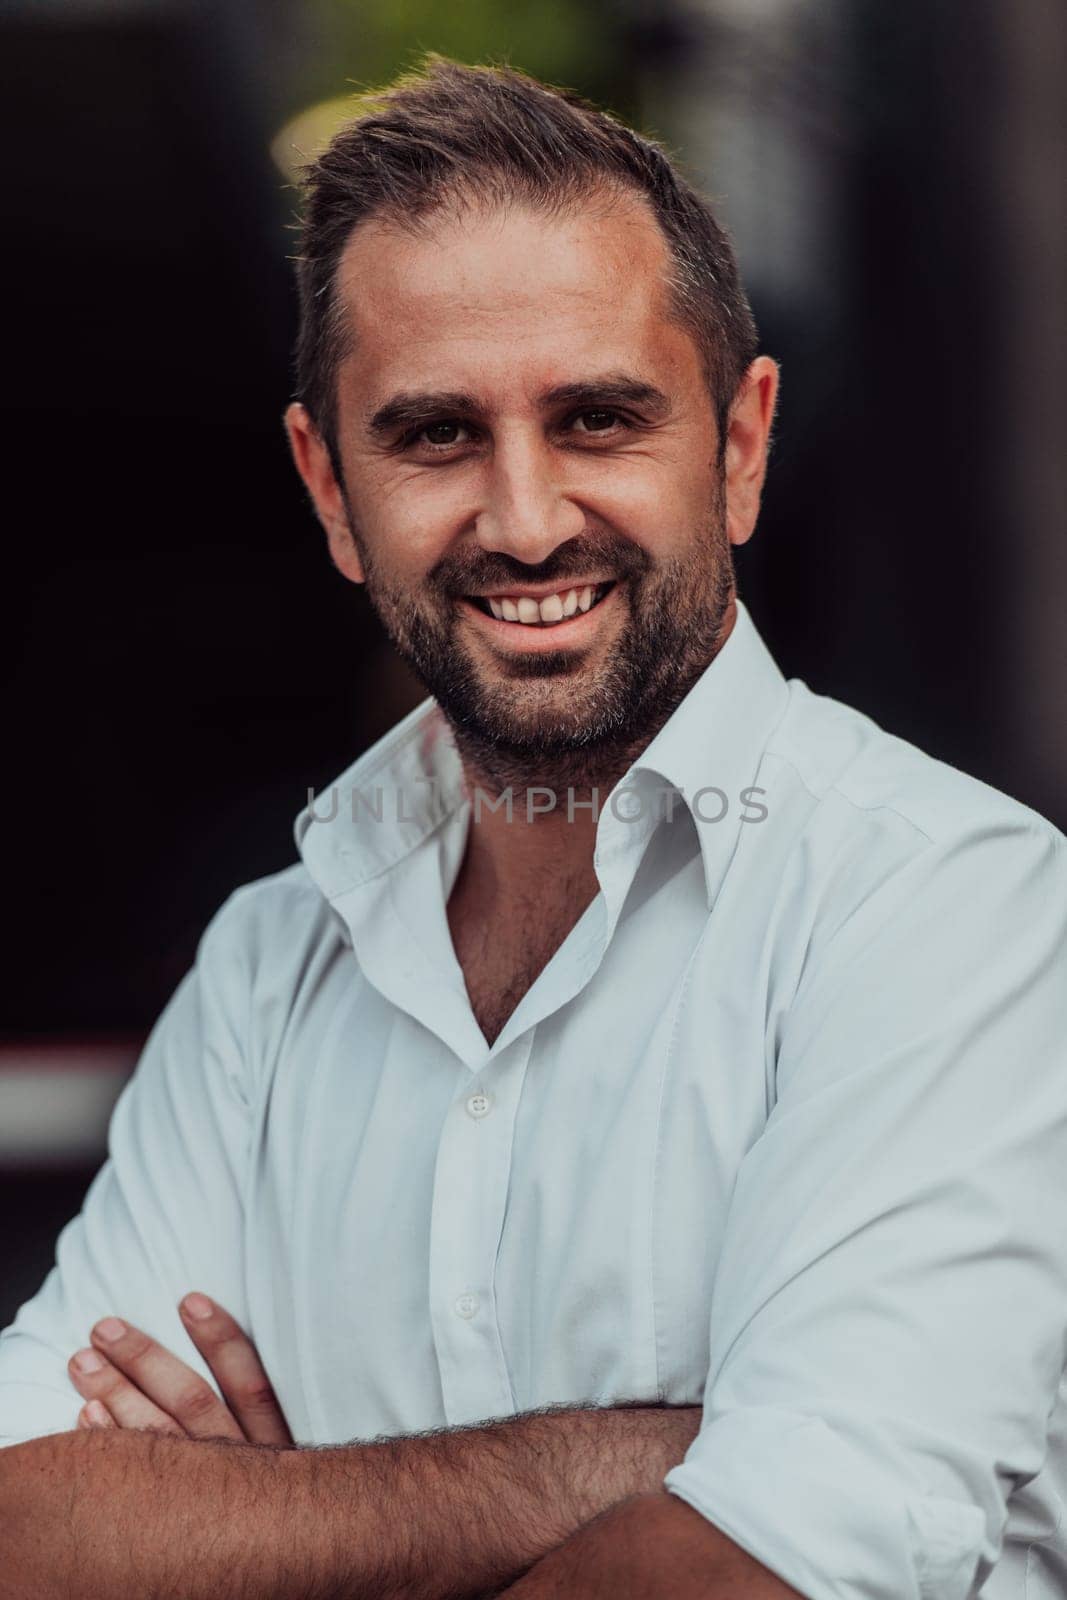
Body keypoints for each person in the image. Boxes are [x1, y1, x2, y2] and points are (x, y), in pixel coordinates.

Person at [1, 54, 1065, 1600]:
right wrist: (631, 1460)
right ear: (328, 486)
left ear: (742, 445)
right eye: (434, 436)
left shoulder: (952, 915)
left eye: (599, 419)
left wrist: (262, 1531)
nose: (523, 517)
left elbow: (765, 1567)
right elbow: (29, 1521)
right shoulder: (268, 968)